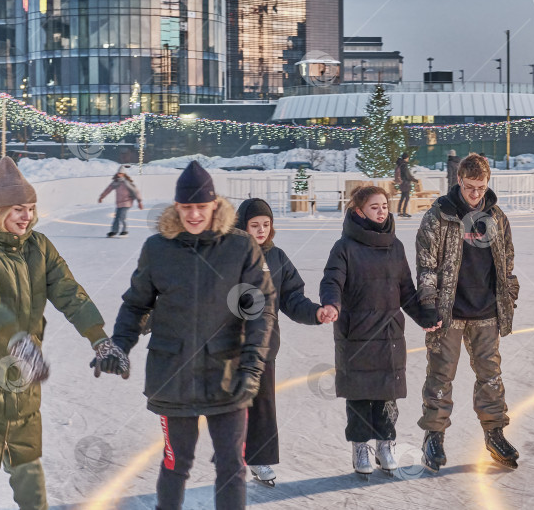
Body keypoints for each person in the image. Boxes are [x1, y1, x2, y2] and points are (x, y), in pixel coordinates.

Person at [0, 156, 129, 510]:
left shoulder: (39, 247)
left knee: (27, 466)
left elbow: (69, 291)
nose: (27, 216)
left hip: (16, 375)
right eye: (18, 209)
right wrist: (19, 340)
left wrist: (99, 339)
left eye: (31, 208)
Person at [104, 161, 275, 510]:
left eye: (201, 206)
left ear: (215, 205)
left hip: (228, 375)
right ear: (176, 207)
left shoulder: (241, 247)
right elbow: (135, 305)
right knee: (175, 464)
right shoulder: (157, 248)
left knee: (231, 466)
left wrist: (251, 367)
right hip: (173, 374)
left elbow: (260, 311)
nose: (194, 215)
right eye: (186, 207)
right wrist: (119, 344)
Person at [319, 186, 436, 477]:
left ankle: (385, 444)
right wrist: (331, 303)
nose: (382, 210)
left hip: (389, 334)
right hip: (356, 333)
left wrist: (423, 316)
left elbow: (406, 289)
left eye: (384, 205)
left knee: (386, 396)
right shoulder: (344, 247)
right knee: (359, 395)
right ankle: (361, 446)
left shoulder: (394, 247)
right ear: (359, 211)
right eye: (375, 207)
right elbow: (331, 280)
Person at [415, 152, 521, 471]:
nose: (476, 193)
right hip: (448, 312)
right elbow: (426, 266)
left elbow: (507, 261)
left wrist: (509, 292)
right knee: (440, 376)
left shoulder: (497, 217)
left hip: (486, 311)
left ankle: (494, 433)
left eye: (481, 187)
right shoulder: (439, 216)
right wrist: (429, 305)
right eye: (470, 187)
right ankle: (433, 436)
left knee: (491, 376)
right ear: (459, 181)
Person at [235, 198, 327, 486]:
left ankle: (259, 458)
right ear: (242, 226)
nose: (261, 230)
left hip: (264, 347)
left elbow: (292, 297)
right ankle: (229, 460)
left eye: (266, 224)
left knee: (262, 406)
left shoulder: (277, 257)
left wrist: (315, 312)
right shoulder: (228, 256)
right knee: (230, 407)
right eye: (254, 225)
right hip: (230, 347)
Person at [98, 166, 144, 237]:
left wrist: (139, 201)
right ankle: (114, 231)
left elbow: (136, 191)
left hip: (127, 202)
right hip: (119, 203)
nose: (119, 175)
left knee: (122, 217)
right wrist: (102, 196)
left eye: (121, 173)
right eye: (118, 173)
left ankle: (124, 231)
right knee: (116, 217)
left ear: (124, 174)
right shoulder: (115, 182)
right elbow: (108, 189)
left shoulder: (126, 182)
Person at [394, 152, 417, 218]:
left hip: (402, 183)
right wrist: (415, 180)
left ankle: (399, 212)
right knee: (406, 198)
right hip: (406, 183)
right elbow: (408, 175)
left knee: (402, 197)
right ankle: (403, 212)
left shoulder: (400, 164)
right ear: (406, 158)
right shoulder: (404, 165)